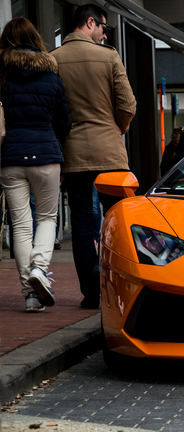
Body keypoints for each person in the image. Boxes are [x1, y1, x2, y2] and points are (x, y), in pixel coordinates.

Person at [51, 4, 137, 309]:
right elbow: (127, 105)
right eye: (103, 28)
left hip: (74, 153)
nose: (104, 34)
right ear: (90, 23)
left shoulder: (54, 59)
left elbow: (53, 111)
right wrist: (118, 130)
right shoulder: (109, 56)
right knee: (118, 221)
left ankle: (90, 293)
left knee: (83, 222)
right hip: (111, 154)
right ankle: (121, 288)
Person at [0, 17, 72, 312]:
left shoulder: (2, 76)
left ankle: (30, 295)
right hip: (45, 155)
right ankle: (40, 269)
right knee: (47, 218)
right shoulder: (52, 75)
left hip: (11, 157)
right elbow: (64, 122)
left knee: (21, 225)